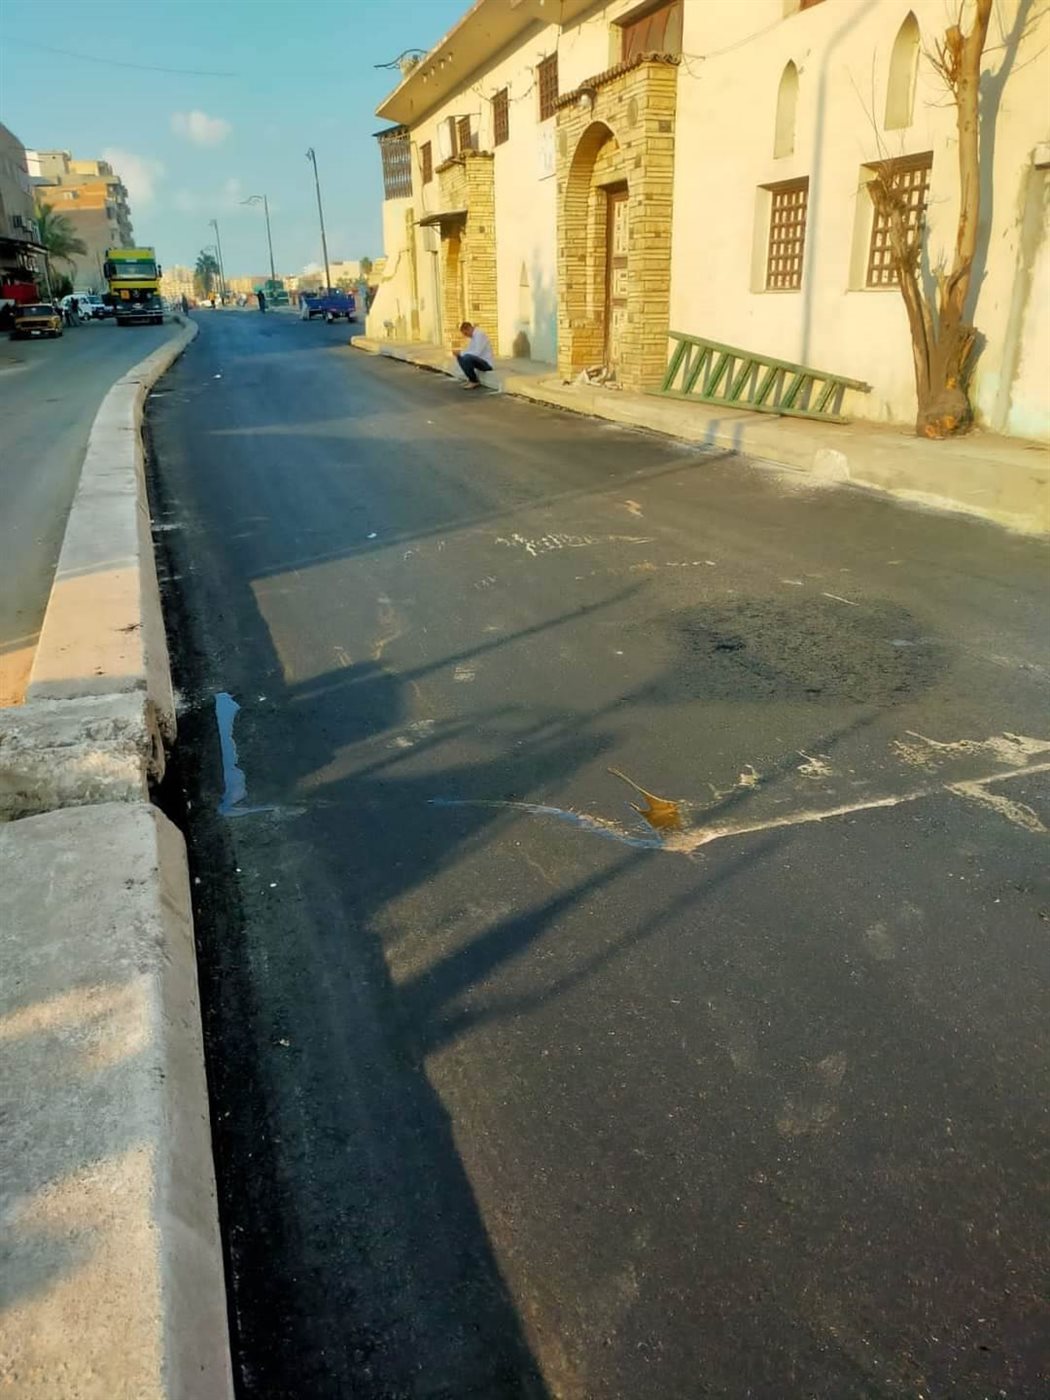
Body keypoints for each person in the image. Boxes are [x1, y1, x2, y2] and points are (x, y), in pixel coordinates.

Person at [455, 321, 494, 389]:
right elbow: (468, 351)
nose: (466, 335)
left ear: (469, 328)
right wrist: (459, 353)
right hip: (479, 361)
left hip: (486, 363)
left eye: (466, 333)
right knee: (460, 357)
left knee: (467, 357)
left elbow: (477, 352)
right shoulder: (473, 337)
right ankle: (470, 379)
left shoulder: (479, 334)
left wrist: (461, 353)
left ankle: (474, 381)